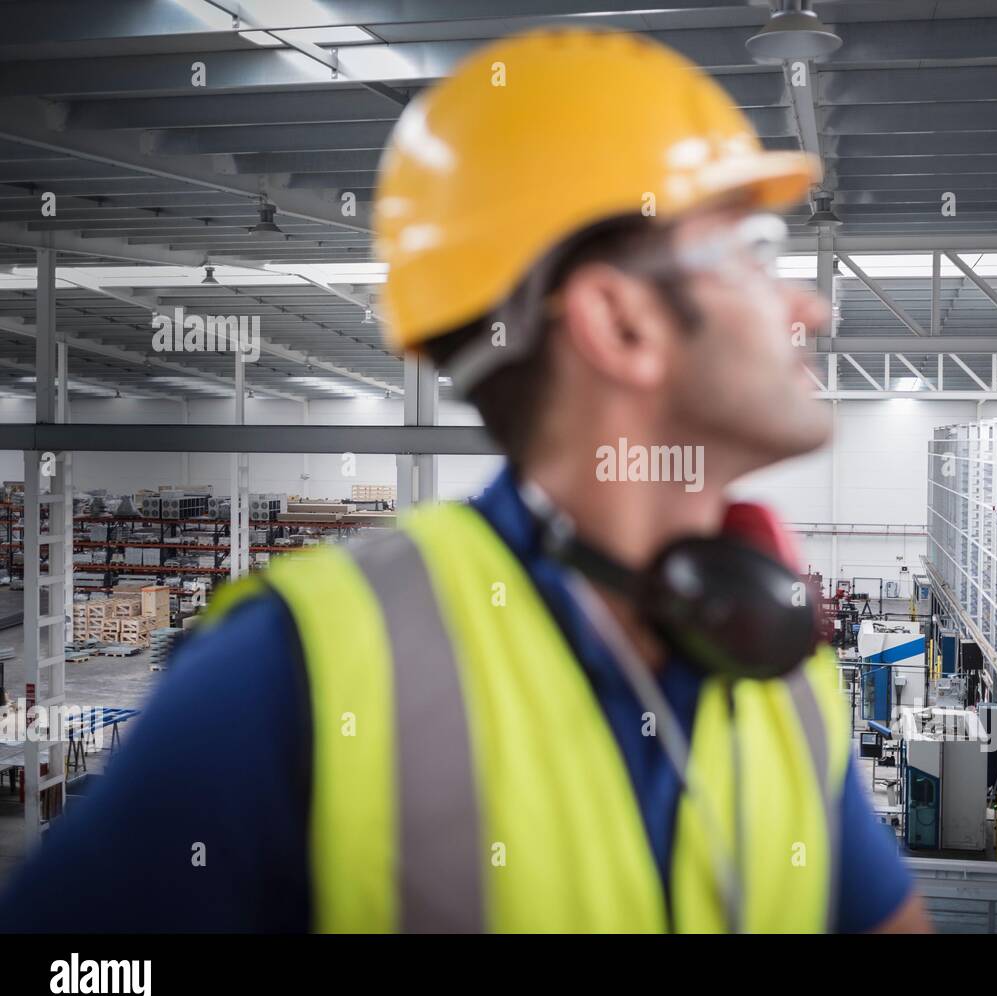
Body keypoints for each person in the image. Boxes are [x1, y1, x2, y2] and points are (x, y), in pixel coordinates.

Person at [0, 28, 928, 934]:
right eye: (754, 256)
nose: (814, 305)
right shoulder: (297, 672)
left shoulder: (777, 663)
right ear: (622, 323)